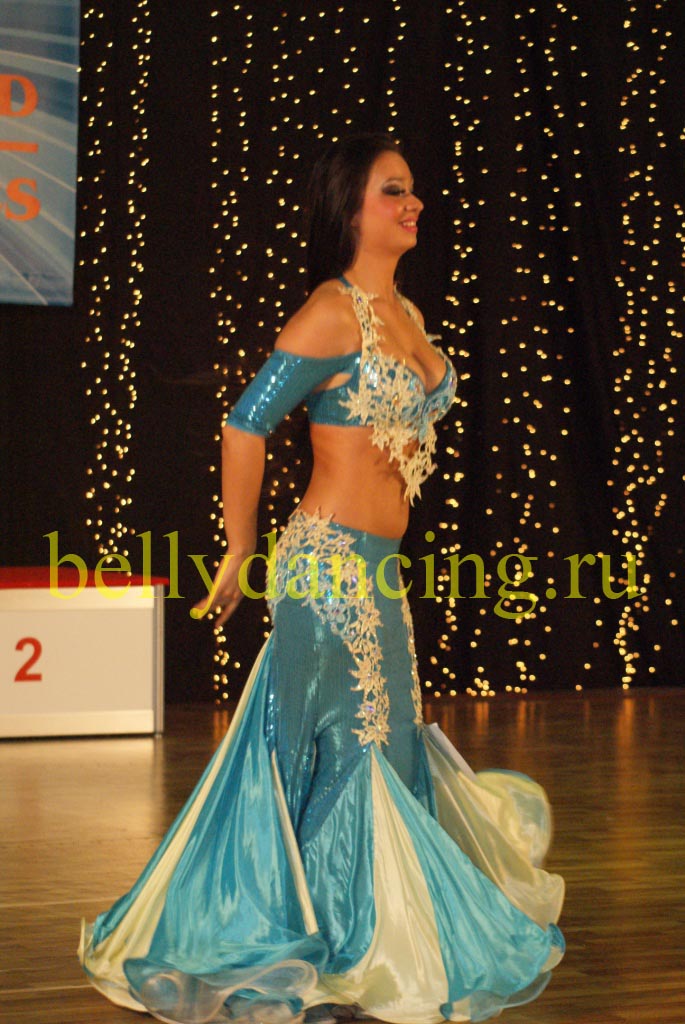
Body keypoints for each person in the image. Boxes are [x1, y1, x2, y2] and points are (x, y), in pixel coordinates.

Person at [79, 134, 565, 1024]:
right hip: (327, 567)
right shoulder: (330, 314)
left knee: (384, 742)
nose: (412, 204)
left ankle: (367, 931)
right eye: (392, 192)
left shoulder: (405, 313)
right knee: (343, 745)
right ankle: (336, 938)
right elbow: (245, 423)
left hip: (378, 569)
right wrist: (238, 549)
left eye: (412, 191)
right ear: (350, 209)